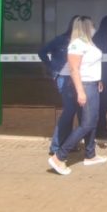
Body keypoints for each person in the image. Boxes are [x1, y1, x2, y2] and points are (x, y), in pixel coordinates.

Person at [48, 16, 107, 175]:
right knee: (87, 124)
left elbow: (91, 64)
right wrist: (81, 92)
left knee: (91, 121)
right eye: (92, 25)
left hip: (92, 84)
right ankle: (59, 157)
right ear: (86, 27)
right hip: (85, 86)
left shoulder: (89, 42)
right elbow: (74, 70)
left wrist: (98, 79)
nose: (94, 28)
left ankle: (90, 155)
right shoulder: (77, 44)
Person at [38, 21, 81, 155]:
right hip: (64, 78)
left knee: (72, 111)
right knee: (69, 111)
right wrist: (52, 67)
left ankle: (67, 144)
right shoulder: (61, 40)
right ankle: (56, 146)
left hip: (77, 79)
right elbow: (42, 52)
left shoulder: (82, 42)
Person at [92, 16, 107, 139]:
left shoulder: (105, 37)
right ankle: (99, 129)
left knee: (105, 104)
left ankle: (102, 127)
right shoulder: (100, 38)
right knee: (103, 103)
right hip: (103, 76)